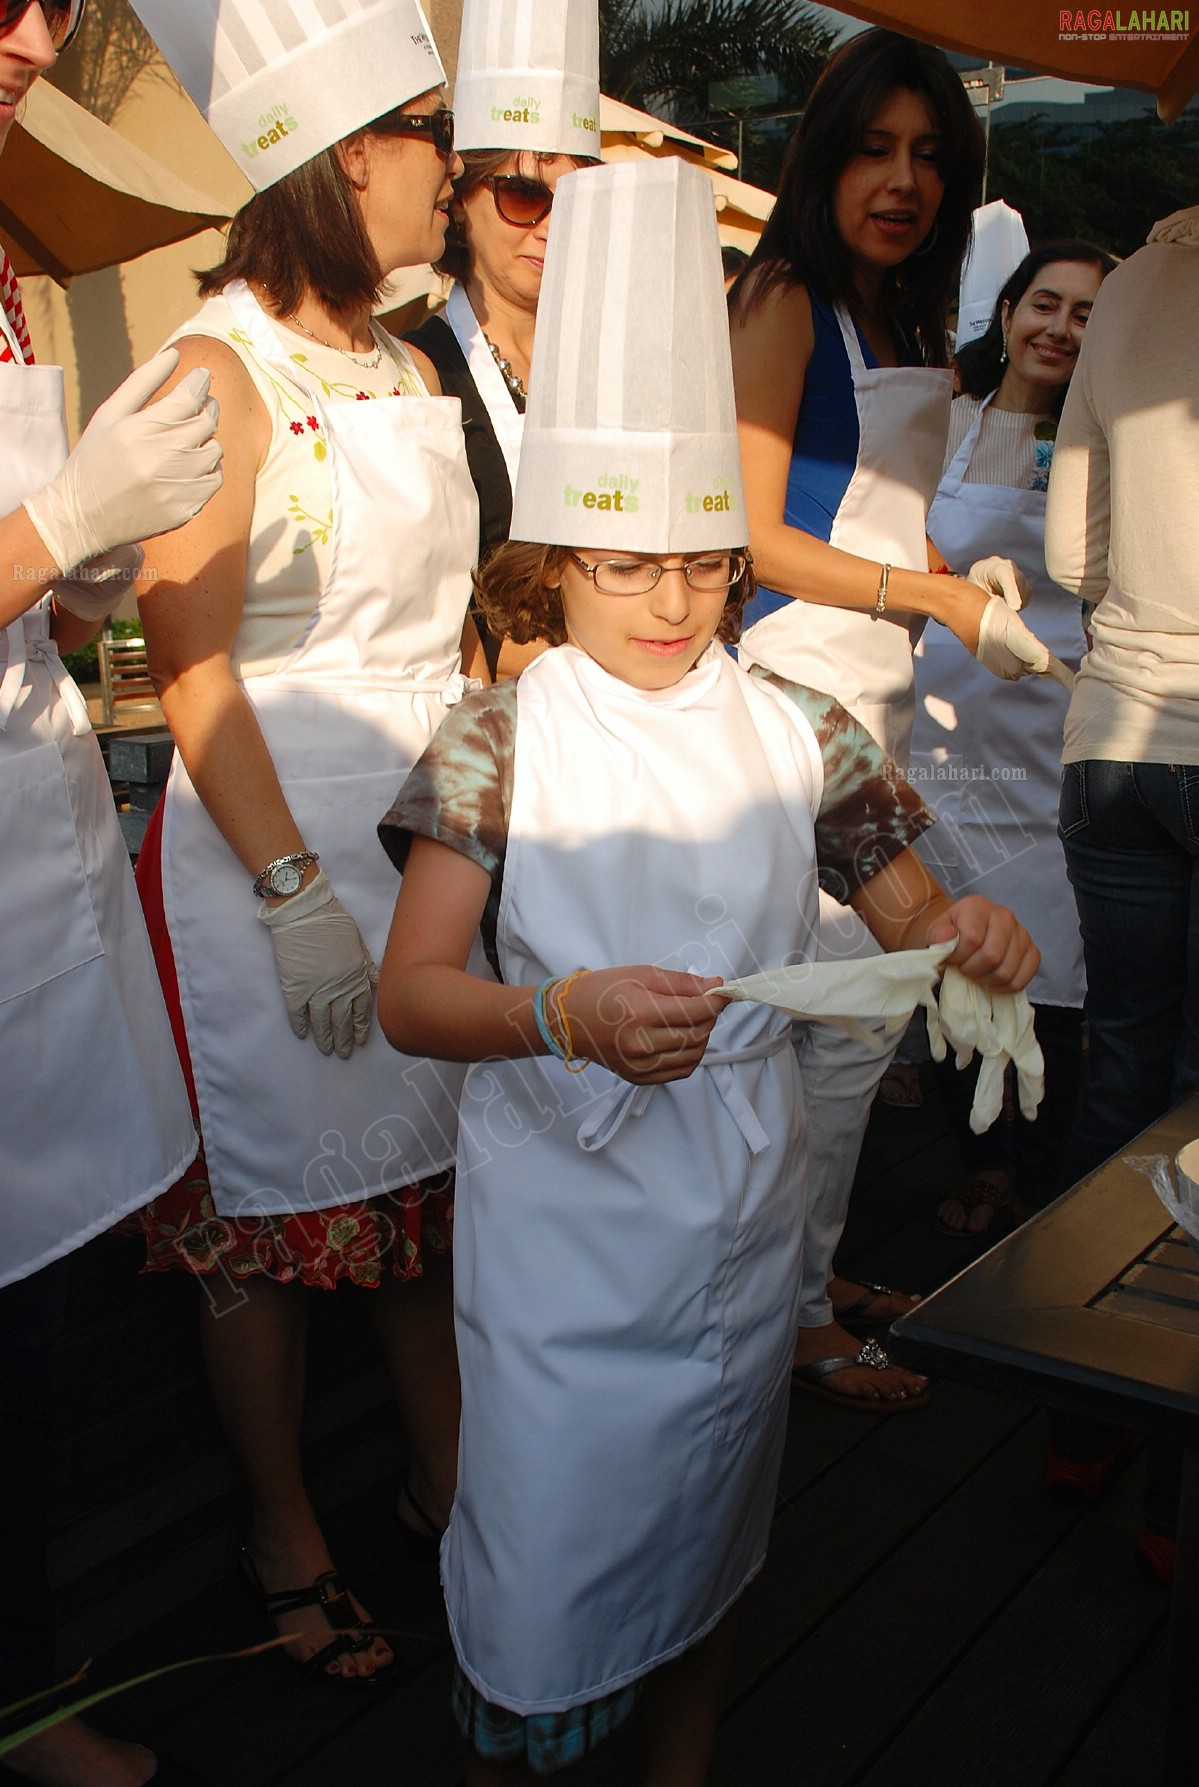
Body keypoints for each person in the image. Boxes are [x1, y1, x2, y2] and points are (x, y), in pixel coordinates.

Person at [375, 156, 1039, 1787]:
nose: (669, 601)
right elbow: (411, 996)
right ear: (561, 560)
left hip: (736, 1229)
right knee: (542, 1566)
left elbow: (908, 923)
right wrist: (562, 1011)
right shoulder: (498, 736)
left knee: (703, 1541)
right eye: (625, 566)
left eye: (698, 561)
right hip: (559, 1260)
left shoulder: (791, 728)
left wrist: (972, 938)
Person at [123, 0, 479, 1684]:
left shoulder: (407, 363)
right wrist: (290, 896)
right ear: (345, 158)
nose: (453, 174)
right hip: (268, 851)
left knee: (423, 1193)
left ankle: (448, 1482)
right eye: (431, 137)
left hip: (420, 845)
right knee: (256, 1225)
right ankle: (285, 1524)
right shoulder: (214, 368)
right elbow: (185, 656)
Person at [728, 28, 1057, 1410]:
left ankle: (803, 1283)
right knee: (826, 1026)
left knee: (857, 1035)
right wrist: (923, 585)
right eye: (873, 148)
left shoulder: (902, 318)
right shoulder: (784, 299)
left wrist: (943, 577)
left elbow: (869, 510)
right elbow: (750, 539)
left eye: (929, 156)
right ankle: (786, 1317)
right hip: (783, 690)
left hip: (870, 694)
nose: (901, 179)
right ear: (819, 156)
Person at [0, 4, 223, 1779]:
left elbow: (34, 584)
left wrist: (78, 579)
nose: (43, 35)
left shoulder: (7, 257)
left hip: (27, 858)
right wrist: (61, 512)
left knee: (31, 1316)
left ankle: (17, 1674)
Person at [1042, 201, 1199, 1582]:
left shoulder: (1136, 279)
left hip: (1111, 740)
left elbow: (1065, 556)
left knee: (1120, 1072)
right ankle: (1174, 1479)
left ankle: (1079, 1413)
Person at [910, 240, 1112, 1238]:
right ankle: (978, 1156)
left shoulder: (1111, 436)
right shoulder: (941, 421)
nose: (1058, 328)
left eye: (1084, 314)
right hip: (940, 722)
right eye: (1045, 303)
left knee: (1053, 958)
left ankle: (1035, 1165)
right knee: (946, 939)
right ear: (1007, 310)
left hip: (1056, 719)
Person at [406, 0, 600, 680]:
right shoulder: (416, 371)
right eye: (523, 194)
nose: (550, 225)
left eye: (576, 199)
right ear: (461, 196)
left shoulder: (608, 366)